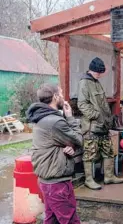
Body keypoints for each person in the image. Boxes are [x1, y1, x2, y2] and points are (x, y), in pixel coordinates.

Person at [26, 83, 82, 224]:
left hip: (49, 181)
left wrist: (71, 147)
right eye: (61, 94)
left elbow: (60, 143)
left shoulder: (42, 118)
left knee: (51, 220)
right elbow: (78, 139)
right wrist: (70, 117)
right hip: (56, 184)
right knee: (70, 220)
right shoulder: (54, 122)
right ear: (56, 97)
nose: (63, 97)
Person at [77, 57, 123, 190]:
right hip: (92, 126)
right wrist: (95, 115)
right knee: (89, 153)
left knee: (108, 151)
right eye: (100, 72)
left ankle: (109, 176)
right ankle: (88, 179)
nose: (101, 75)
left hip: (103, 125)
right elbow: (82, 104)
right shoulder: (84, 83)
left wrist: (106, 119)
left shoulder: (96, 82)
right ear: (94, 70)